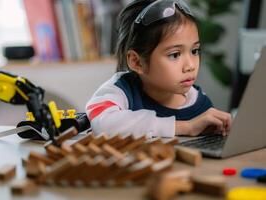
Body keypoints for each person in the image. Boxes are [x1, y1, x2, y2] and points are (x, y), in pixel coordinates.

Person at [85, 0, 232, 138]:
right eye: (175, 55)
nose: (190, 66)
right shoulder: (120, 91)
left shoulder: (201, 104)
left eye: (194, 51)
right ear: (137, 62)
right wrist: (185, 127)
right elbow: (102, 123)